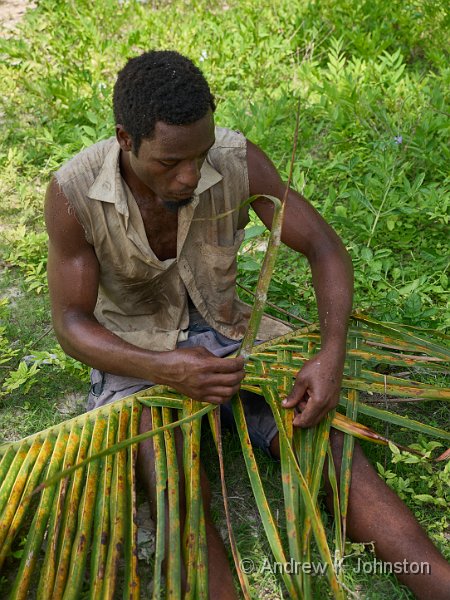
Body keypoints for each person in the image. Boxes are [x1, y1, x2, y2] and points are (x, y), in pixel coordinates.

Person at [45, 50, 450, 599]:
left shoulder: (237, 160)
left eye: (200, 155)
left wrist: (331, 353)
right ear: (125, 138)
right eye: (170, 163)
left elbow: (324, 247)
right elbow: (70, 322)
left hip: (236, 334)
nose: (190, 175)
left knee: (323, 440)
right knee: (168, 478)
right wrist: (164, 368)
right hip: (137, 353)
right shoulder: (73, 193)